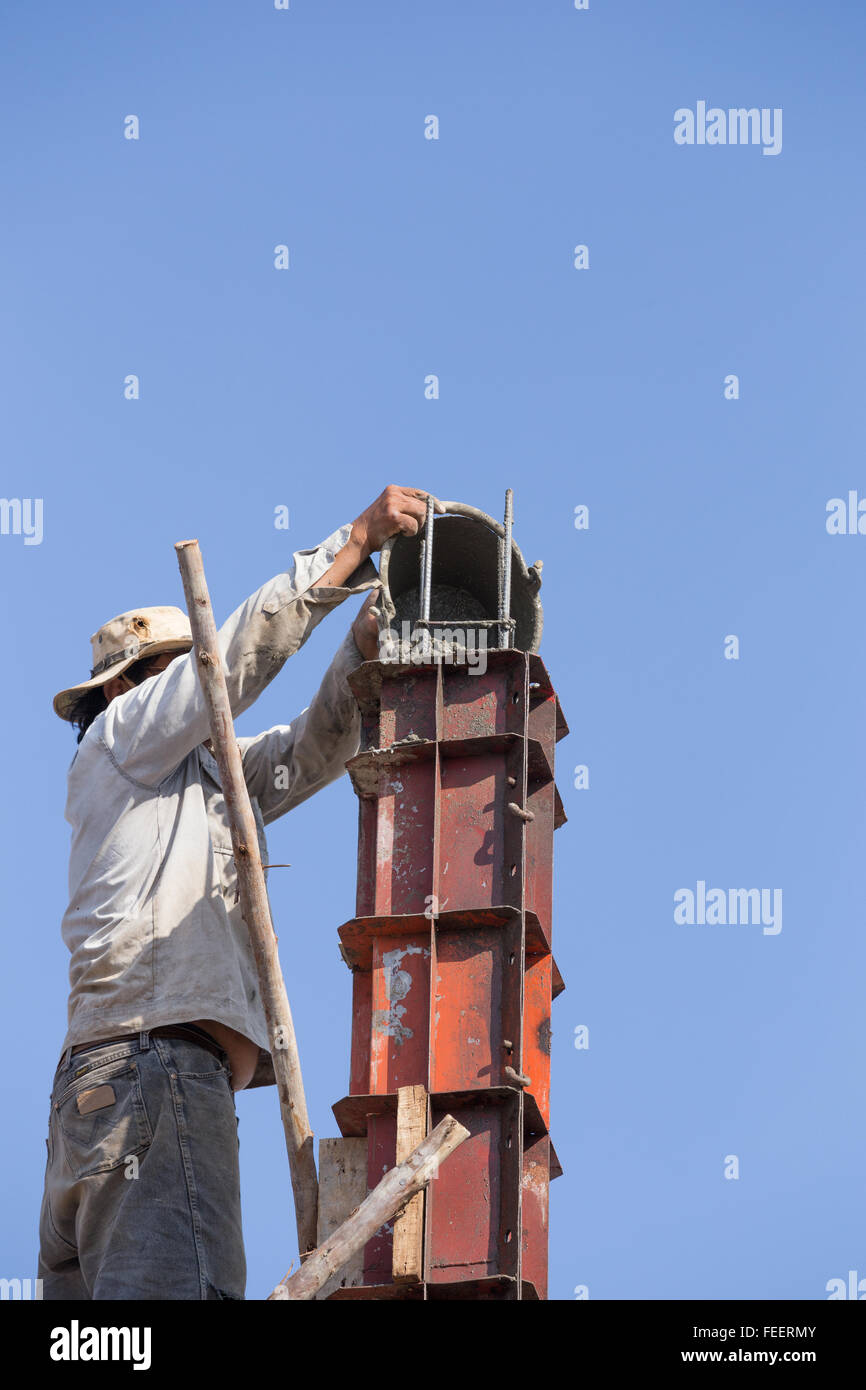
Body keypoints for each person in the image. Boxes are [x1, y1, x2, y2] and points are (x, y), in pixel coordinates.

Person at [37, 485, 433, 1300]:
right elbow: (236, 658)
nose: (191, 683)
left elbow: (310, 748)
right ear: (124, 689)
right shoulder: (124, 736)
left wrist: (363, 646)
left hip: (113, 1091)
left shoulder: (197, 777)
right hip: (157, 1071)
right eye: (171, 672)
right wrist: (353, 542)